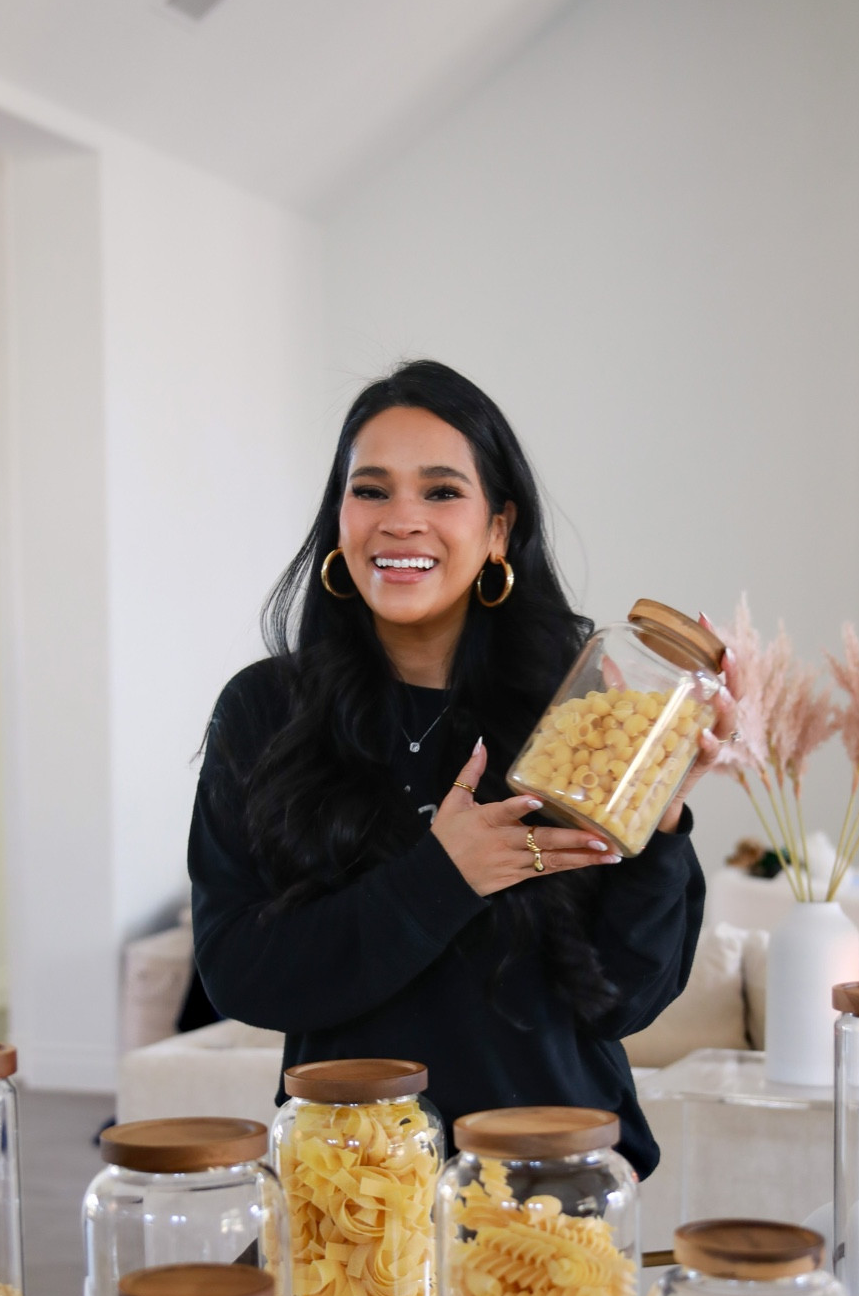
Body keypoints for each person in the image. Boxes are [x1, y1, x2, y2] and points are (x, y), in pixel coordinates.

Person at [188, 360, 740, 1176]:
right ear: (338, 517)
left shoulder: (576, 710)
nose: (400, 519)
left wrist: (656, 818)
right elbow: (240, 976)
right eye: (370, 490)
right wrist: (442, 877)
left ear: (497, 529)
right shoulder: (267, 711)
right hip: (351, 1189)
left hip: (550, 1182)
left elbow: (625, 998)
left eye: (442, 492)